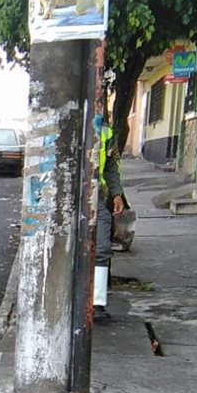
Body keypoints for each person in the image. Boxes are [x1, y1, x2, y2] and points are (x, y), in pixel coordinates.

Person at [93, 112, 126, 322]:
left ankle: (97, 304)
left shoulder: (105, 132)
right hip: (70, 198)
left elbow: (112, 166)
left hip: (97, 198)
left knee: (102, 248)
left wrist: (117, 193)